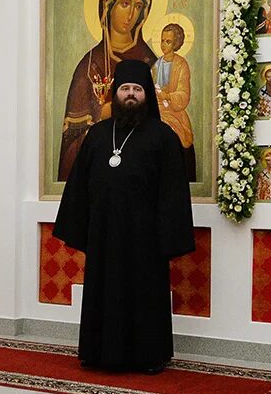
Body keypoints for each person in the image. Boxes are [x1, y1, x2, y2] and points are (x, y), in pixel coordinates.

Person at [53, 59, 194, 373]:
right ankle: (96, 351)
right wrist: (83, 227)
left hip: (145, 238)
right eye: (125, 88)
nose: (131, 95)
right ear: (115, 93)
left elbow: (173, 194)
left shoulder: (164, 138)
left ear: (147, 95)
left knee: (145, 295)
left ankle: (149, 356)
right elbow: (79, 185)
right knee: (103, 291)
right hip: (104, 233)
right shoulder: (99, 135)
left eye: (137, 89)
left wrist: (166, 238)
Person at [58, 0, 157, 181]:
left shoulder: (152, 62)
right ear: (108, 8)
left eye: (137, 6)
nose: (131, 15)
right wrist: (98, 116)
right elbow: (71, 139)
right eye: (124, 4)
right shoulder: (89, 64)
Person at [151, 22, 195, 180]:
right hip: (157, 110)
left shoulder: (181, 65)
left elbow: (184, 93)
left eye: (168, 41)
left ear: (176, 43)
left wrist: (168, 96)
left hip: (175, 113)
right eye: (162, 40)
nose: (164, 45)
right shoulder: (156, 64)